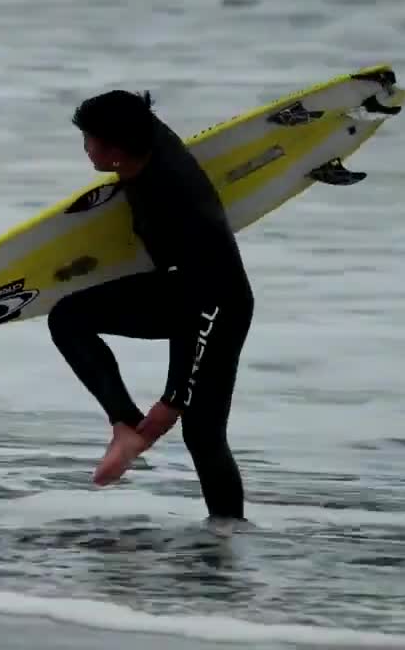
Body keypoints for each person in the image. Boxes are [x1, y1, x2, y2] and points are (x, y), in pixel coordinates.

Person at [46, 88, 254, 523]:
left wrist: (174, 397)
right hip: (181, 286)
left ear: (117, 151)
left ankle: (227, 533)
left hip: (220, 304)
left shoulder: (176, 201)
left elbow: (202, 307)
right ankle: (124, 424)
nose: (85, 148)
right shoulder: (145, 135)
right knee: (68, 316)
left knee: (202, 433)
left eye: (89, 140)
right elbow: (131, 112)